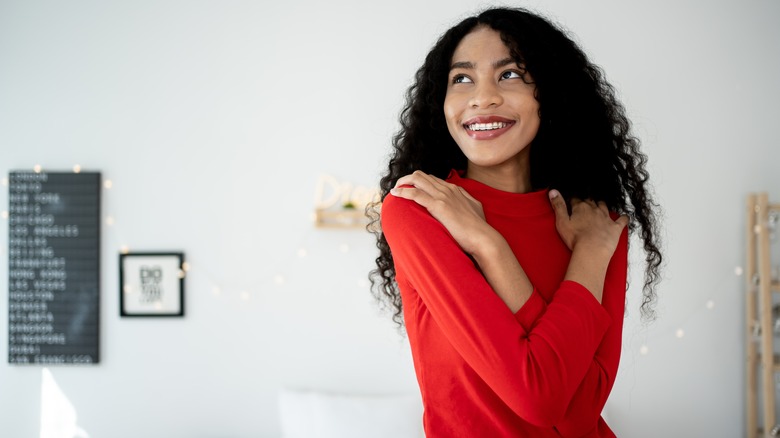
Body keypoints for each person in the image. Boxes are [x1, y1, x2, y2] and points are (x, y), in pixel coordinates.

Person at [367, 6, 662, 438]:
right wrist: (499, 245)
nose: (481, 97)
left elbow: (578, 417)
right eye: (461, 78)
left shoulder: (598, 225)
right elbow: (541, 400)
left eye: (509, 75)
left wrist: (494, 246)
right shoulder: (418, 208)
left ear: (551, 93)